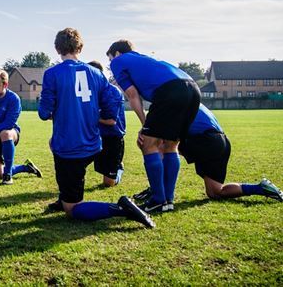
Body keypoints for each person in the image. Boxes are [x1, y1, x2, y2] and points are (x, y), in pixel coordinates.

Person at [39, 28, 154, 229]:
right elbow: (113, 104)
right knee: (68, 170)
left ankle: (120, 208)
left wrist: (60, 110)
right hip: (93, 144)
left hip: (69, 148)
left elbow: (44, 112)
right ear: (80, 47)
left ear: (57, 48)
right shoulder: (97, 74)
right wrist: (93, 114)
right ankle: (65, 195)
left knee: (72, 209)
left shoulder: (52, 74)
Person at [107, 39, 200, 213]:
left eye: (110, 59)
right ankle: (168, 200)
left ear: (117, 54)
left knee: (147, 143)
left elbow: (133, 95)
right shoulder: (144, 59)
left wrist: (145, 124)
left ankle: (158, 199)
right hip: (193, 89)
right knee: (171, 145)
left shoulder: (119, 61)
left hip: (170, 91)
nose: (111, 63)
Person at [133, 104, 283, 203]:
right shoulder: (189, 98)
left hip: (205, 140)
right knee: (215, 192)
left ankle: (157, 191)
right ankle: (260, 188)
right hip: (221, 142)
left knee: (156, 146)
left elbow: (161, 136)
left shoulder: (171, 102)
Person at [0, 68, 42, 184]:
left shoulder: (13, 99)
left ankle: (8, 176)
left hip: (11, 133)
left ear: (5, 84)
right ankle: (25, 167)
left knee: (5, 133)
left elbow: (9, 123)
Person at [88, 61, 125, 187]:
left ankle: (119, 169)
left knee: (108, 183)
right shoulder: (89, 91)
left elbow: (111, 121)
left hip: (112, 137)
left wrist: (90, 117)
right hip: (96, 136)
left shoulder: (112, 92)